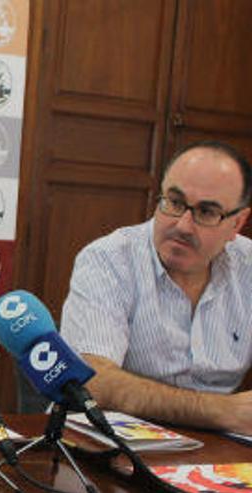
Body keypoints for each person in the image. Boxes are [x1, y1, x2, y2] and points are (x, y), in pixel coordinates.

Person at [61, 140, 252, 433]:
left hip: (218, 452)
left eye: (207, 212)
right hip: (113, 441)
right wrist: (219, 412)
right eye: (174, 203)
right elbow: (91, 381)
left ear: (237, 223)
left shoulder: (247, 267)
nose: (183, 226)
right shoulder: (109, 259)